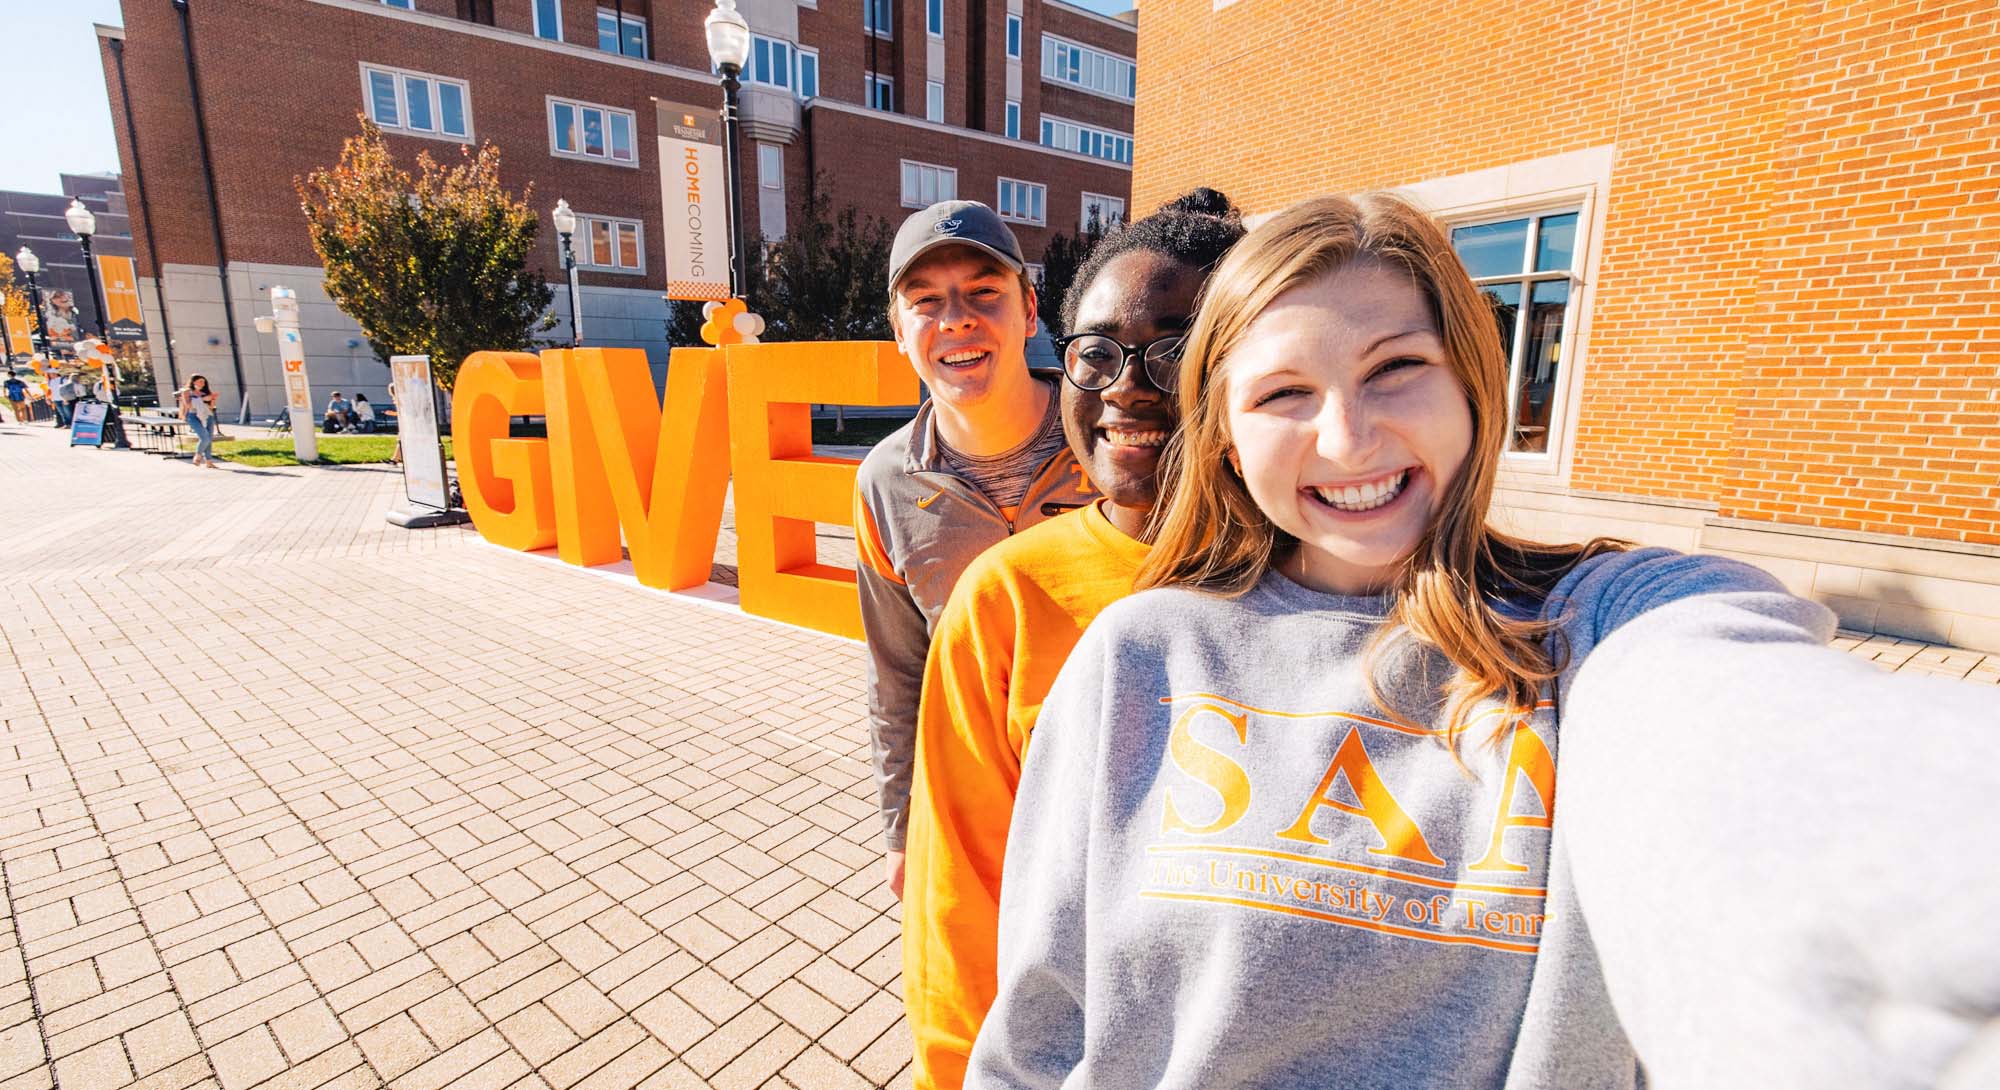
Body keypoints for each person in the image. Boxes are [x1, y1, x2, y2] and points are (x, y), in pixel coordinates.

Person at [967, 193, 2000, 1089]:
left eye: (1395, 368)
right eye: (1284, 393)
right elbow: (1040, 1024)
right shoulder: (1139, 653)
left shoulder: (1598, 628)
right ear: (1225, 434)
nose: (1345, 437)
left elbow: (1751, 713)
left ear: (1472, 385)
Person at [901, 190, 1244, 1090]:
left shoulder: (1338, 585)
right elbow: (959, 906)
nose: (1128, 384)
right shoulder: (1007, 596)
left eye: (1174, 352)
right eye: (1096, 354)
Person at [854, 200, 1099, 900]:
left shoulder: (1110, 438)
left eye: (983, 293)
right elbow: (897, 671)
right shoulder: (884, 483)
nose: (955, 318)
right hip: (982, 809)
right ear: (899, 331)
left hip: (1124, 791)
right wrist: (901, 828)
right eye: (925, 301)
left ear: (1029, 308)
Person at [178, 374, 221, 468]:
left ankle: (209, 462)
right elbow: (189, 405)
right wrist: (203, 399)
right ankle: (198, 456)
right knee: (204, 437)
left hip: (207, 415)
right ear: (194, 381)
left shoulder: (206, 392)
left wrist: (213, 399)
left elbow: (211, 407)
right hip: (193, 416)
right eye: (200, 381)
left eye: (204, 382)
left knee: (209, 439)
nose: (203, 383)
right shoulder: (186, 391)